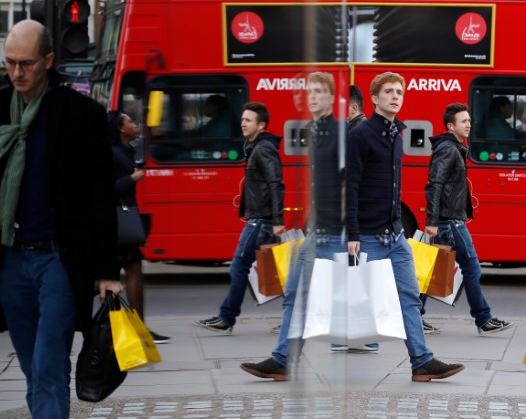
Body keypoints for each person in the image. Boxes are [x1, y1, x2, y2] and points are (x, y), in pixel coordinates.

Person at [0, 19, 122, 418]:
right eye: (11, 63)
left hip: (59, 260)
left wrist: (106, 270)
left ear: (48, 60)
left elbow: (101, 195)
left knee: (50, 364)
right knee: (32, 368)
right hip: (9, 260)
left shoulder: (81, 115)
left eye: (27, 64)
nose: (17, 72)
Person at [241, 72, 366, 381]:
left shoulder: (338, 132)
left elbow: (348, 184)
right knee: (298, 294)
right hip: (317, 230)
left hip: (331, 231)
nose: (312, 97)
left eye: (319, 92)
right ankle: (283, 358)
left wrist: (346, 230)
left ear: (330, 98)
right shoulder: (317, 131)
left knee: (337, 293)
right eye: (309, 92)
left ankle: (406, 350)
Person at [348, 72, 463, 381]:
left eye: (399, 91)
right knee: (352, 297)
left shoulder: (396, 135)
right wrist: (353, 234)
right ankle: (286, 355)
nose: (395, 96)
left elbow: (394, 188)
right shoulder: (360, 136)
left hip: (395, 236)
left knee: (410, 296)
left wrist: (399, 226)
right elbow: (351, 187)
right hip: (368, 236)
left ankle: (421, 362)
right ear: (374, 98)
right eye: (388, 92)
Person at [194, 102, 285, 334]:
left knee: (238, 267)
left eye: (248, 120)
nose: (243, 123)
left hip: (262, 221)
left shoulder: (263, 149)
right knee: (277, 273)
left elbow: (276, 183)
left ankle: (226, 318)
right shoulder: (255, 146)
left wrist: (277, 220)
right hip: (261, 218)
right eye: (242, 119)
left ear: (261, 125)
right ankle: (294, 318)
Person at [424, 102, 513, 336]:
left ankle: (414, 316)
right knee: (471, 266)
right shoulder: (448, 149)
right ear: (450, 126)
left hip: (449, 220)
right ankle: (483, 319)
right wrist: (432, 220)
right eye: (464, 121)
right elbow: (435, 184)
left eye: (470, 121)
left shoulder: (454, 148)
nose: (469, 125)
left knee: (432, 270)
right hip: (449, 221)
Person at [107, 111, 170, 345]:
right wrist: (131, 179)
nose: (135, 125)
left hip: (122, 221)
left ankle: (134, 329)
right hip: (117, 222)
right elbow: (105, 188)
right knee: (125, 273)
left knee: (127, 272)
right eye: (130, 122)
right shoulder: (113, 154)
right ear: (121, 129)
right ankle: (135, 329)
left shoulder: (125, 151)